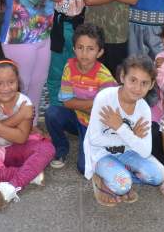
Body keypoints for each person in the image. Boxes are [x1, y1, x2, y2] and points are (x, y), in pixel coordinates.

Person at [0, 60, 55, 211]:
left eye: (11, 82)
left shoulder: (24, 102)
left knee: (48, 149)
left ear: (17, 82)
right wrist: (20, 116)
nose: (6, 88)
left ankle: (12, 186)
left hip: (17, 146)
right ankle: (30, 174)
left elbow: (21, 138)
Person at [83, 55, 164, 207]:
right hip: (102, 153)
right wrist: (132, 135)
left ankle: (119, 176)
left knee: (159, 175)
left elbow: (145, 151)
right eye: (132, 80)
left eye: (144, 83)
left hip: (129, 152)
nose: (137, 88)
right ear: (122, 76)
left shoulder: (144, 109)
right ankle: (103, 179)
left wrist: (121, 128)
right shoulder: (105, 98)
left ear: (151, 85)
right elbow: (95, 139)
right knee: (122, 186)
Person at [44, 23, 116, 173]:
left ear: (100, 52)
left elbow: (106, 111)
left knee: (84, 168)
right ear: (74, 49)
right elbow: (67, 102)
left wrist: (84, 105)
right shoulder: (69, 68)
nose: (84, 53)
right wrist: (94, 103)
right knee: (52, 113)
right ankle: (61, 148)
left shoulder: (105, 76)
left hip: (95, 124)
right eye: (80, 47)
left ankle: (100, 147)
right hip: (77, 117)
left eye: (90, 49)